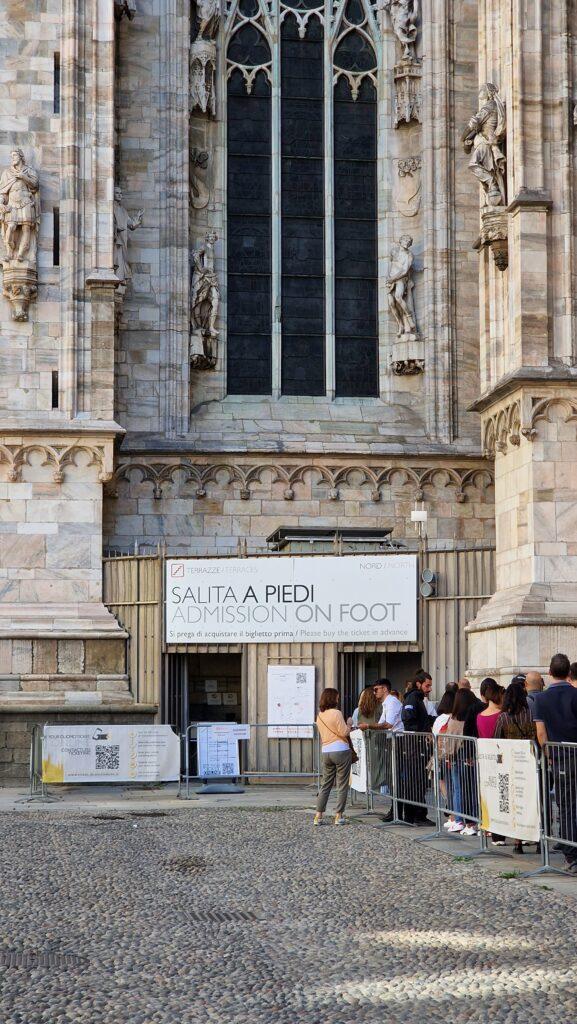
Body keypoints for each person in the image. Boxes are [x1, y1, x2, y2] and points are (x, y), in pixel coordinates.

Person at [533, 653, 577, 874]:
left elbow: (541, 733)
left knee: (566, 805)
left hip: (559, 756)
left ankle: (571, 854)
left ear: (549, 673)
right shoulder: (576, 694)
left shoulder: (540, 699)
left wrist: (548, 753)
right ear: (569, 673)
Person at [494, 681, 537, 853]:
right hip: (532, 762)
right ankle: (539, 841)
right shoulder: (532, 713)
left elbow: (496, 740)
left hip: (512, 765)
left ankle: (518, 843)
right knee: (534, 802)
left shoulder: (503, 717)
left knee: (515, 804)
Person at [443, 689, 480, 835]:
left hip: (454, 756)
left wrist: (448, 755)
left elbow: (449, 739)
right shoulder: (471, 717)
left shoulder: (453, 718)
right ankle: (472, 819)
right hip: (468, 756)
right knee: (471, 789)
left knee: (458, 789)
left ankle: (458, 819)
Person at [314, 688, 352, 826]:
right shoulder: (336, 713)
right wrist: (349, 723)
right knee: (342, 784)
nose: (338, 699)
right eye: (337, 697)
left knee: (325, 784)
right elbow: (343, 732)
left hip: (326, 751)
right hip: (340, 750)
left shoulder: (319, 716)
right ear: (333, 698)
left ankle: (318, 816)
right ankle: (338, 816)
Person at [476, 678, 506, 845]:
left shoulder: (479, 716)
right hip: (500, 758)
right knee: (502, 795)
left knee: (490, 796)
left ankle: (492, 831)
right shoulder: (501, 716)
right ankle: (501, 832)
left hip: (485, 759)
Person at [401, 676, 433, 825]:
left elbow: (420, 719)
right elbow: (408, 719)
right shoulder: (413, 699)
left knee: (419, 780)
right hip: (415, 744)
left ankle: (416, 814)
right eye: (427, 686)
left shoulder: (417, 698)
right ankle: (415, 815)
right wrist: (422, 731)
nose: (430, 689)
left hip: (417, 744)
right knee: (416, 780)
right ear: (419, 684)